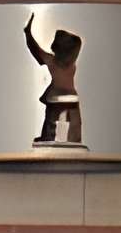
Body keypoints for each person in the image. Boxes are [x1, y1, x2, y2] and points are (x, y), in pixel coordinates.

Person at [22, 15, 85, 147]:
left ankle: (49, 137)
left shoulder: (52, 60)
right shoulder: (71, 63)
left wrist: (28, 33)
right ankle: (73, 140)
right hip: (70, 97)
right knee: (72, 122)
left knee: (51, 121)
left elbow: (35, 49)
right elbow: (35, 49)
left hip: (56, 97)